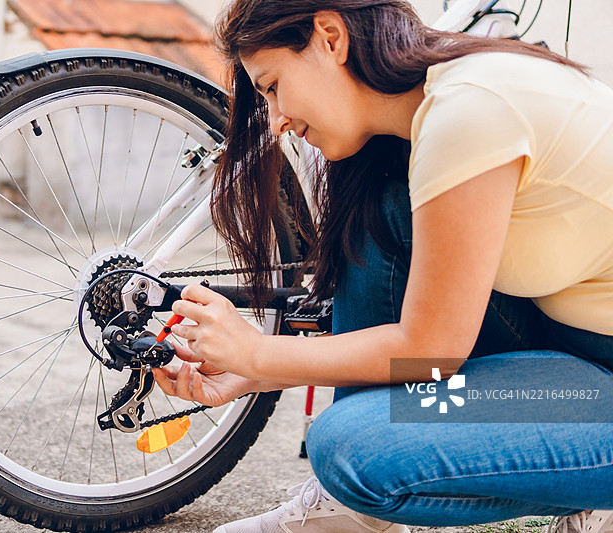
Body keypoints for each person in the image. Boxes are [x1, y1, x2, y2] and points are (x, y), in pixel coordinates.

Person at [151, 1, 613, 532]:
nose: (276, 122)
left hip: (590, 379)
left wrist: (258, 353)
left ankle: (585, 486)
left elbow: (431, 351)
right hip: (573, 349)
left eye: (273, 86)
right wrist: (256, 370)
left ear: (330, 37)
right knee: (382, 213)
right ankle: (354, 519)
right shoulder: (435, 105)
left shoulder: (470, 110)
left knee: (354, 450)